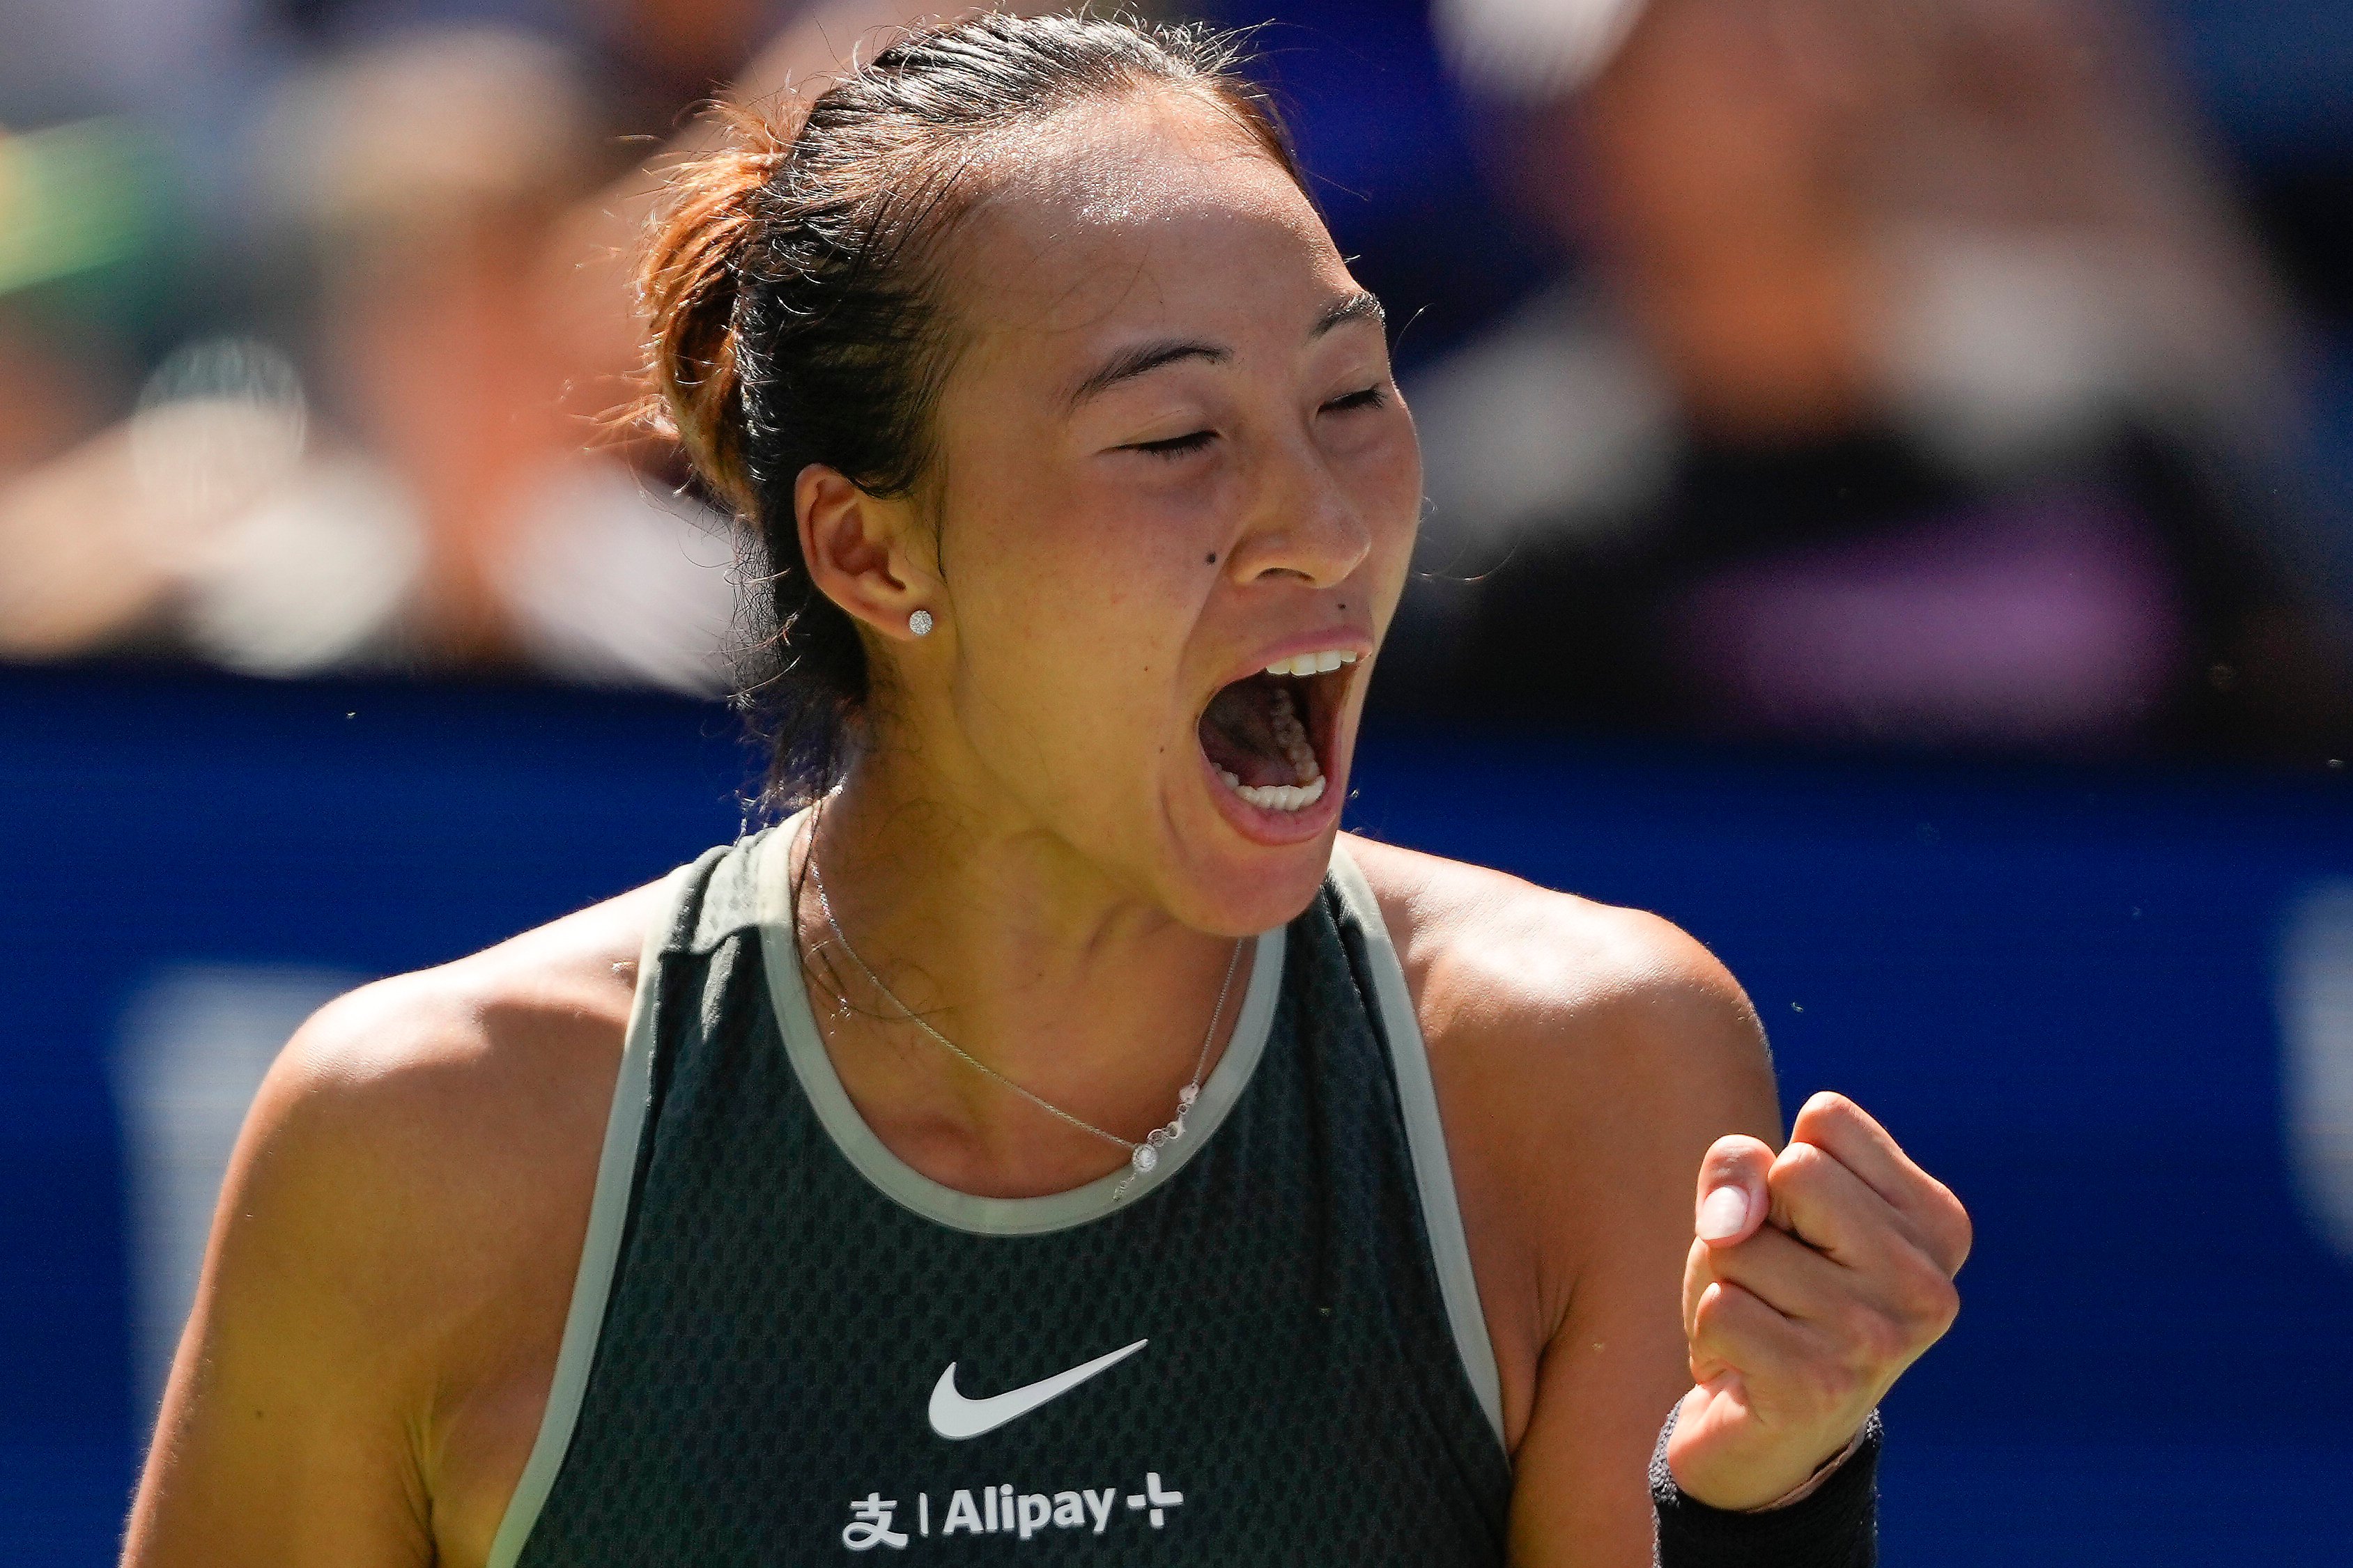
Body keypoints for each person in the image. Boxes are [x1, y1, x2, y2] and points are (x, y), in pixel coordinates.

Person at [120, 16, 1969, 1566]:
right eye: (1174, 438)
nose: (1321, 525)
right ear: (865, 544)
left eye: (1352, 393)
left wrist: (1760, 1491)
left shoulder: (1589, 1062)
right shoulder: (417, 1144)